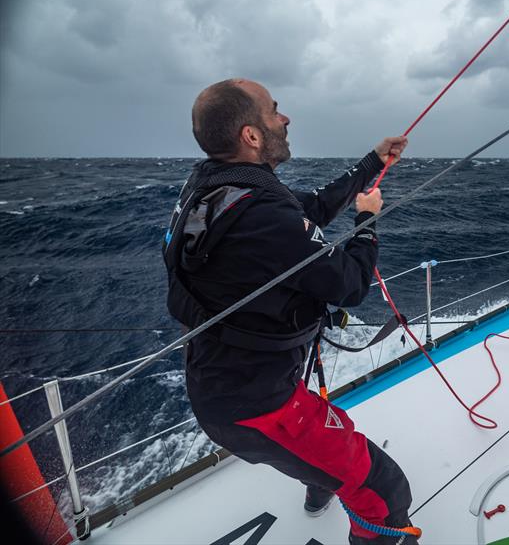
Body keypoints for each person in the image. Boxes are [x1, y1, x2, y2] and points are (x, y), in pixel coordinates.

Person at [162, 78, 416, 544]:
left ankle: (318, 489)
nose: (285, 117)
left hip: (224, 383)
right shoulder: (261, 214)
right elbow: (350, 283)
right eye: (274, 110)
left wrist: (373, 162)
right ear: (252, 135)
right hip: (259, 405)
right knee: (383, 491)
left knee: (324, 461)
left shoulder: (215, 187)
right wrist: (367, 222)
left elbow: (310, 210)